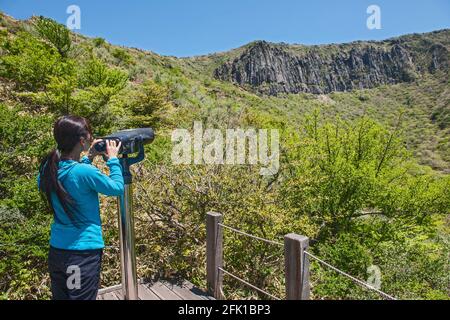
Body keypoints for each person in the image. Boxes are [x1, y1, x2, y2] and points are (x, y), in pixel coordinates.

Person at [37, 115, 124, 300]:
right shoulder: (84, 172)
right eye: (89, 135)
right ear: (82, 140)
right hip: (80, 257)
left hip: (58, 252)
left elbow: (71, 176)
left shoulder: (48, 169)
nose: (92, 138)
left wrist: (89, 157)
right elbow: (117, 188)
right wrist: (114, 160)